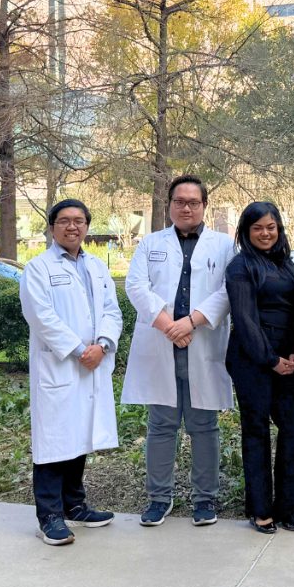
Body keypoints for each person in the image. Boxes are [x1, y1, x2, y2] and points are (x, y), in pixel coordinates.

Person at [122, 175, 234, 528]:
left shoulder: (224, 245)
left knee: (204, 425)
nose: (186, 207)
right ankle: (159, 497)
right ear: (169, 204)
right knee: (161, 425)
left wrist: (192, 323)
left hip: (202, 341)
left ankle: (204, 499)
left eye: (194, 202)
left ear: (204, 206)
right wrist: (169, 325)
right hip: (162, 341)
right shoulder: (150, 243)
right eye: (180, 201)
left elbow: (230, 290)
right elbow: (136, 286)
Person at [19, 198, 123, 546]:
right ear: (52, 227)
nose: (72, 226)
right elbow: (42, 317)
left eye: (79, 220)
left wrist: (104, 344)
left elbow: (112, 310)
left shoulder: (96, 266)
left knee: (80, 434)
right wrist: (80, 350)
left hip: (91, 363)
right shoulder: (38, 268)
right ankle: (49, 515)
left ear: (87, 226)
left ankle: (74, 506)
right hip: (61, 364)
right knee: (53, 440)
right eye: (64, 220)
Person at [225, 201, 294, 534]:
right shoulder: (240, 266)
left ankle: (287, 509)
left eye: (271, 227)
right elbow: (245, 320)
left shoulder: (287, 264)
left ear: (279, 229)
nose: (265, 233)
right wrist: (270, 359)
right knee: (256, 432)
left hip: (286, 360)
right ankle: (260, 510)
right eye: (257, 227)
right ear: (246, 231)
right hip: (251, 360)